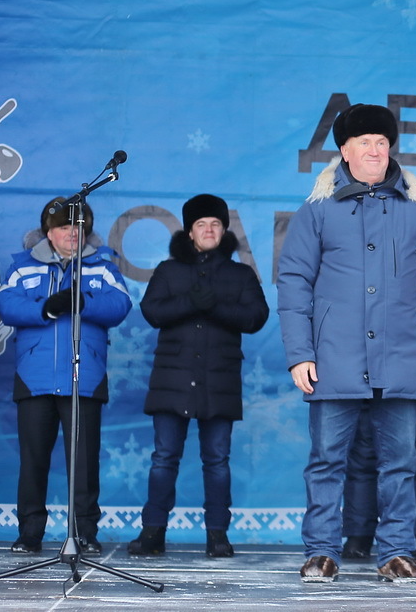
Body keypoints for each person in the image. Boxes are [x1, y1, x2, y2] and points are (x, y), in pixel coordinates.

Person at [278, 103, 416, 582]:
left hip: (401, 357)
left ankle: (396, 551)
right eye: (365, 142)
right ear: (344, 151)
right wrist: (300, 353)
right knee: (326, 463)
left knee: (400, 463)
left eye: (382, 142)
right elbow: (293, 283)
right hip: (335, 359)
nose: (376, 150)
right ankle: (321, 551)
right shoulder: (317, 210)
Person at [128, 194, 270, 558]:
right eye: (201, 225)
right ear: (190, 232)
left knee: (218, 460)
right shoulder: (168, 270)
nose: (208, 230)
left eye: (216, 225)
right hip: (172, 382)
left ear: (224, 232)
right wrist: (190, 302)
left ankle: (217, 534)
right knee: (164, 457)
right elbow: (152, 311)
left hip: (218, 382)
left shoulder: (240, 274)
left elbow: (256, 317)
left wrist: (217, 307)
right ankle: (153, 532)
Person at [0, 196, 132, 554]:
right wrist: (45, 307)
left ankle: (83, 532)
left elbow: (120, 305)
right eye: (64, 227)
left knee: (84, 464)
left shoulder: (102, 265)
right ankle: (30, 534)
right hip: (34, 376)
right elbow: (6, 304)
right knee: (33, 460)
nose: (72, 232)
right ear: (48, 232)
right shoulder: (23, 266)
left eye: (79, 226)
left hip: (84, 377)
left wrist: (84, 301)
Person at [341, 397, 416, 561]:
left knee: (409, 458)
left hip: (409, 385)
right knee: (362, 456)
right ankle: (359, 534)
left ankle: (415, 533)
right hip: (360, 384)